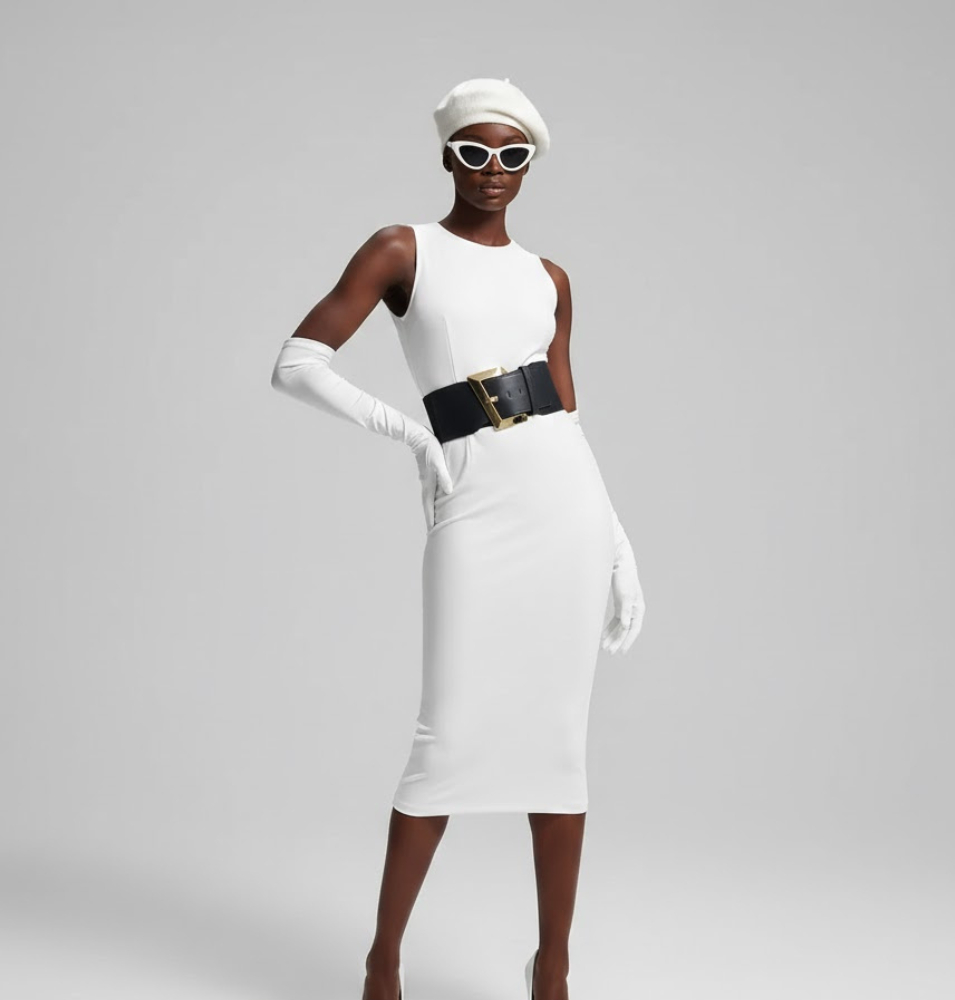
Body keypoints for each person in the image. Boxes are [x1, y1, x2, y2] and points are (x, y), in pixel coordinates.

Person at [270, 76, 645, 1000]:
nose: (492, 169)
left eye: (512, 155)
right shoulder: (405, 249)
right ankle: (382, 961)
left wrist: (617, 543)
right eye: (474, 152)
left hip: (566, 499)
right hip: (474, 499)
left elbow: (567, 415)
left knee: (559, 741)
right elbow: (296, 363)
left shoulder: (549, 278)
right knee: (444, 739)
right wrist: (409, 433)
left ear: (529, 165)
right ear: (447, 156)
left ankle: (552, 966)